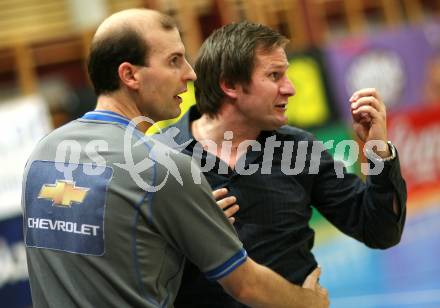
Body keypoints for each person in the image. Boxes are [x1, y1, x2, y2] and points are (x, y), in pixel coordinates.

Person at [21, 9, 329, 308]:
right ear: (130, 75)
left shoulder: (42, 155)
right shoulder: (164, 167)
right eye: (174, 61)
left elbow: (105, 260)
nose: (190, 74)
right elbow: (246, 284)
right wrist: (309, 303)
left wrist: (187, 229)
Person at [172, 21, 407, 307]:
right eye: (275, 76)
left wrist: (378, 151)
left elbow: (380, 230)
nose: (290, 88)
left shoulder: (299, 149)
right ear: (230, 85)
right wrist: (187, 235)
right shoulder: (160, 158)